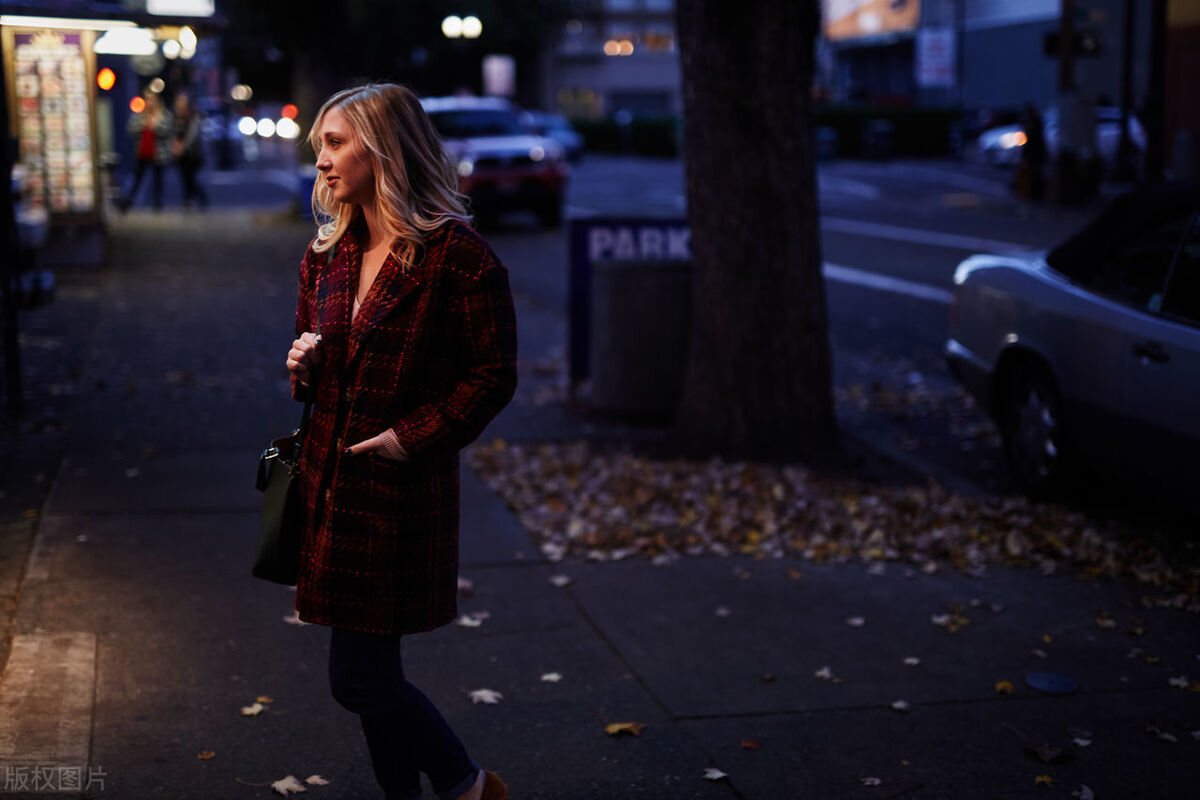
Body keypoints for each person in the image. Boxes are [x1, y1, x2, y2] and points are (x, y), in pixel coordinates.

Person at [283, 84, 516, 800]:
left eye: (335, 142)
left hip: (398, 492)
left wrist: (410, 438)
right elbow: (320, 369)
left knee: (359, 679)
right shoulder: (326, 253)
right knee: (373, 677)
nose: (319, 159)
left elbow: (493, 374)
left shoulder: (459, 259)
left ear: (383, 151)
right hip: (328, 486)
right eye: (320, 142)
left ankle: (468, 785)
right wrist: (303, 364)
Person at [119, 92, 173, 211]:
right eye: (148, 100)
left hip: (158, 153)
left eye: (152, 100)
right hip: (142, 152)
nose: (150, 103)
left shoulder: (164, 115)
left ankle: (157, 204)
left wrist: (155, 125)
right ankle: (128, 201)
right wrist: (144, 124)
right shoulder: (140, 115)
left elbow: (167, 130)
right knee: (137, 178)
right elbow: (131, 129)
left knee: (158, 179)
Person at [170, 93, 208, 209]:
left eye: (183, 104)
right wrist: (174, 145)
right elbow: (171, 134)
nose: (180, 107)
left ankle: (194, 199)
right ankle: (190, 199)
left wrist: (182, 146)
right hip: (180, 156)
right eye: (179, 104)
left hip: (192, 155)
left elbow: (192, 136)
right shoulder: (174, 120)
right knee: (185, 179)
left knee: (190, 178)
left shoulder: (192, 119)